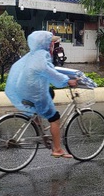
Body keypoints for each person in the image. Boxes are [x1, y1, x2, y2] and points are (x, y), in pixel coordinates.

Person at [5, 31, 77, 159]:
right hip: (34, 93)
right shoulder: (42, 56)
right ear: (46, 44)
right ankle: (57, 149)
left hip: (23, 91)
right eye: (52, 43)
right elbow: (50, 73)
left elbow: (45, 71)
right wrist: (67, 81)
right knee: (54, 117)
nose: (53, 45)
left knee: (50, 92)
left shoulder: (31, 55)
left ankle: (38, 123)